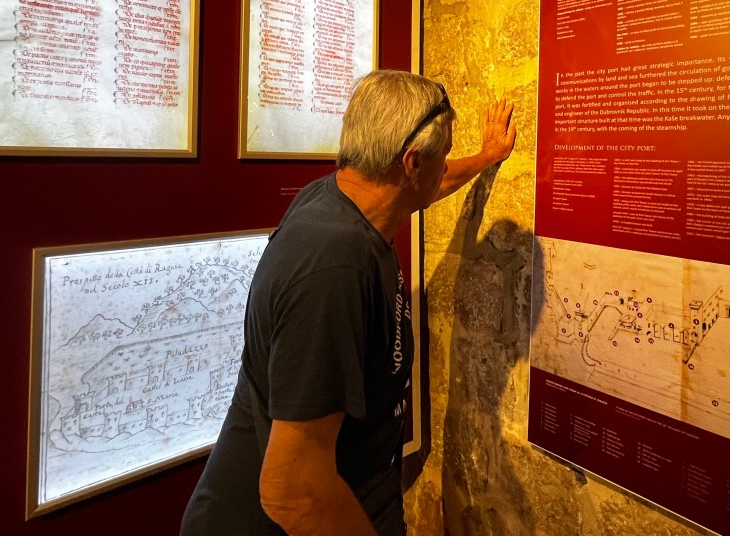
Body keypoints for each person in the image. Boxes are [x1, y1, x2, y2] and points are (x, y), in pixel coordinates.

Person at [181, 70, 516, 536]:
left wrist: (488, 157)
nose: (446, 166)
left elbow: (432, 183)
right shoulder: (333, 268)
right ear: (412, 162)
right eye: (444, 154)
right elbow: (292, 490)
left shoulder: (344, 196)